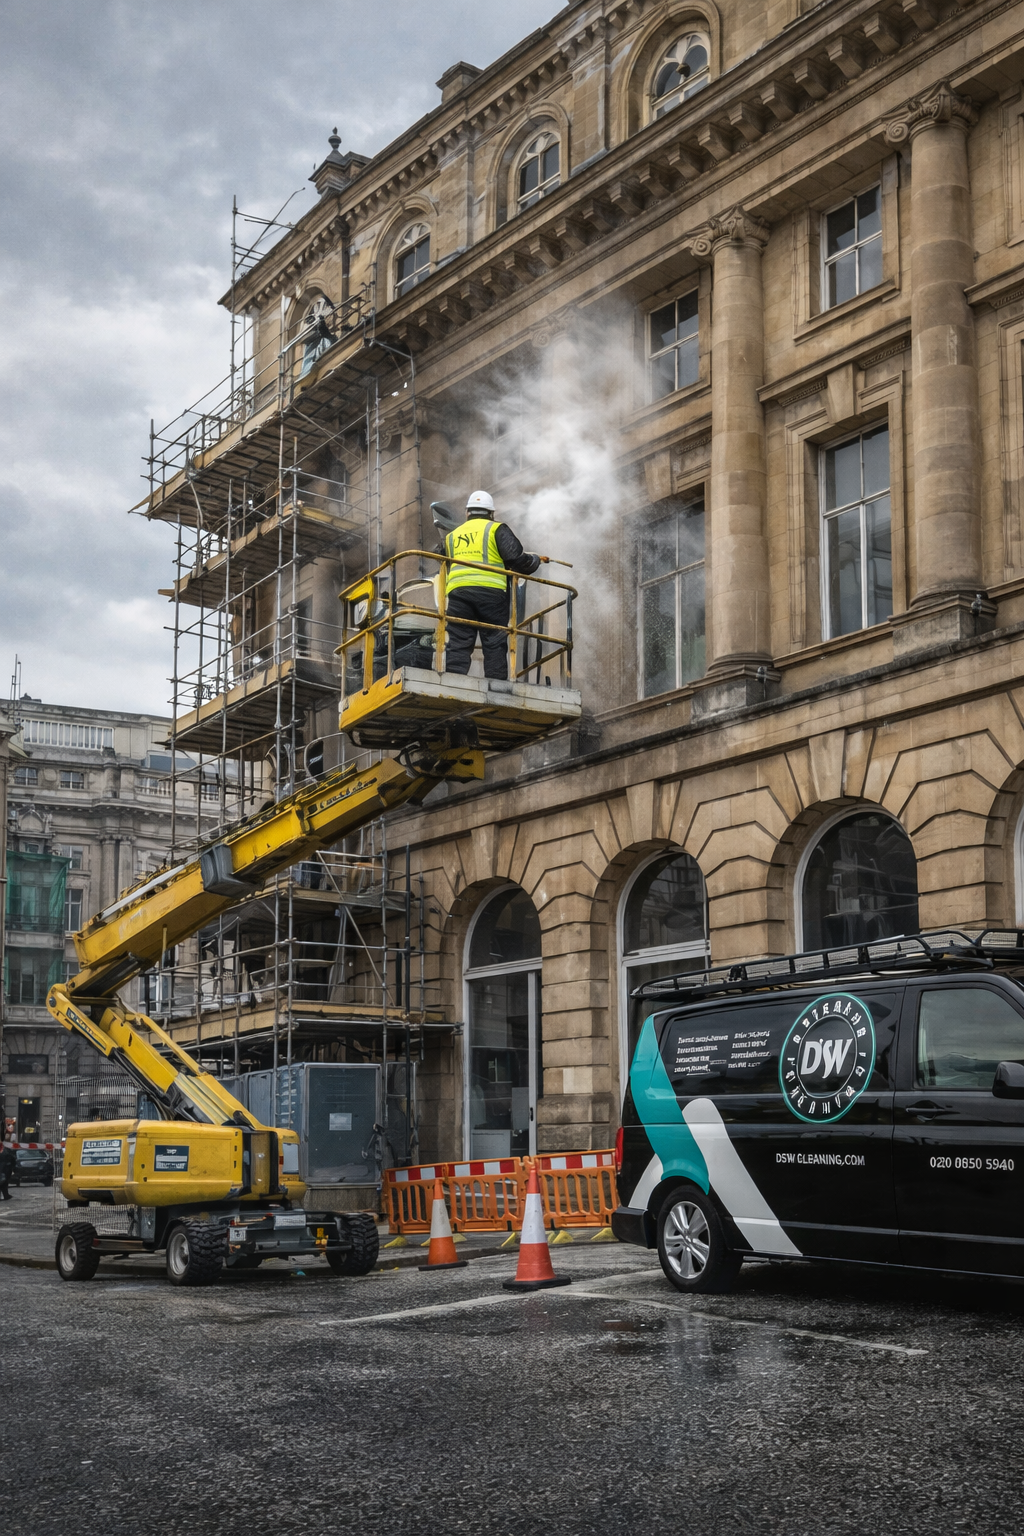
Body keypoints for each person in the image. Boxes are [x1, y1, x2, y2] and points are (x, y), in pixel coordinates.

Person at [443, 490, 541, 680]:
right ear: (491, 513)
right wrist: (535, 560)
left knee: (458, 641)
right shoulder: (496, 529)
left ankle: (453, 680)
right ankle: (496, 684)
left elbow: (441, 557)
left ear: (467, 512)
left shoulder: (452, 536)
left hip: (458, 595)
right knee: (494, 641)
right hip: (491, 595)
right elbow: (517, 560)